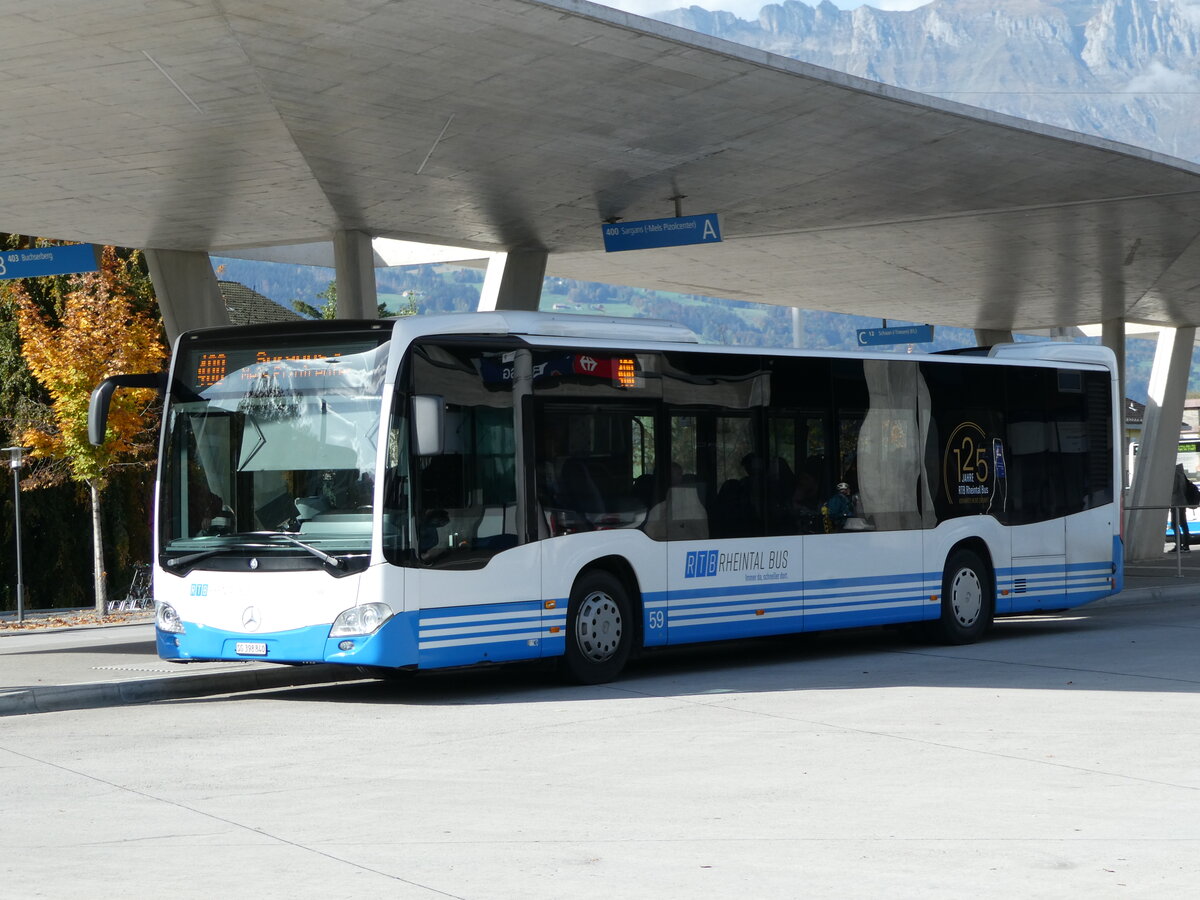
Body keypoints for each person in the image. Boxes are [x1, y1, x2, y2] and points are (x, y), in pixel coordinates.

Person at [1170, 463, 1193, 552]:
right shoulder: (1182, 475)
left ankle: (1178, 545)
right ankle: (1186, 545)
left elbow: (1174, 489)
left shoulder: (1175, 475)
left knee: (1174, 524)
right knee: (1183, 524)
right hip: (1183, 503)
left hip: (1176, 503)